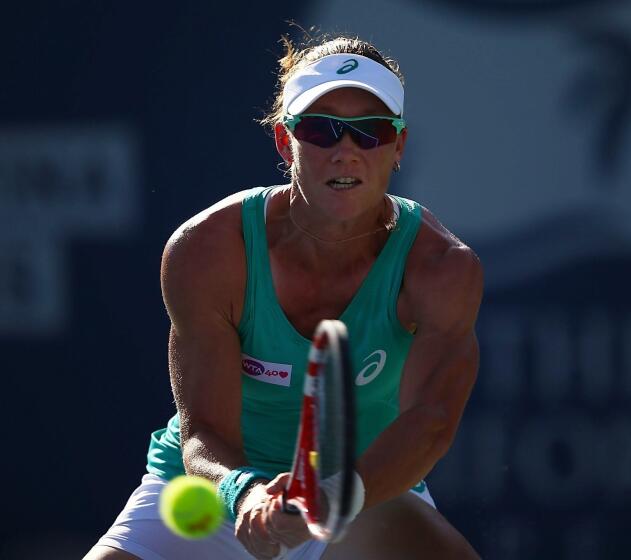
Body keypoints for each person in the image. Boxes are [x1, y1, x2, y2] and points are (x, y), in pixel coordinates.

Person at [84, 32, 483, 560]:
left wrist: (334, 499)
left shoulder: (442, 268)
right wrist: (244, 492)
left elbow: (429, 424)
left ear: (398, 147)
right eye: (321, 130)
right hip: (217, 494)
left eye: (371, 133)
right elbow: (202, 430)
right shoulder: (207, 250)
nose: (346, 151)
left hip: (362, 497)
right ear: (283, 140)